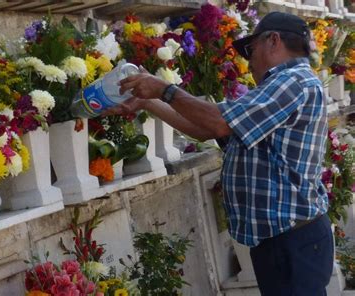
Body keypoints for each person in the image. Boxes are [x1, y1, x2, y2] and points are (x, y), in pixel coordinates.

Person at [108, 12, 334, 296]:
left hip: (292, 240)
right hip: (284, 239)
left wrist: (165, 90)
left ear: (273, 41)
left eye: (250, 51)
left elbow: (218, 121)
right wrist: (147, 101)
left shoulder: (292, 82)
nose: (248, 62)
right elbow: (207, 130)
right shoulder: (283, 85)